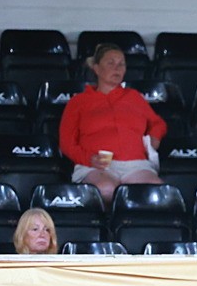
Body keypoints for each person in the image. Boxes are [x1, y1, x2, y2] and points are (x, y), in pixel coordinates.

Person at [59, 44, 166, 203]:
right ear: (96, 68)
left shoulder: (134, 97)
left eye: (121, 64)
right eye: (110, 63)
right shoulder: (78, 102)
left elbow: (158, 123)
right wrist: (89, 159)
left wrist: (155, 137)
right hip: (97, 166)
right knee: (106, 188)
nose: (117, 68)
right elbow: (66, 143)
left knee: (156, 190)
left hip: (135, 164)